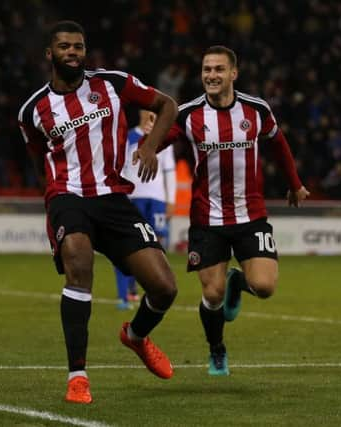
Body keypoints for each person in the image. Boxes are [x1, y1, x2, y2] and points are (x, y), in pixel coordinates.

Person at [17, 20, 179, 404]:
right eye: (64, 46)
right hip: (68, 195)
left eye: (78, 46)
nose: (72, 52)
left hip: (112, 197)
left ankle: (135, 337)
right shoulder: (32, 110)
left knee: (164, 287)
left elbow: (167, 105)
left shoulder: (112, 83)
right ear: (49, 54)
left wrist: (151, 146)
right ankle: (78, 376)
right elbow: (40, 158)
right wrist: (60, 195)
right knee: (78, 259)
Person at [157, 46, 310, 376]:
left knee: (265, 287)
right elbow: (161, 138)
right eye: (206, 69)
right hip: (206, 218)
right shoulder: (188, 114)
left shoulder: (256, 110)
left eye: (218, 69)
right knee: (212, 295)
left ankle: (238, 282)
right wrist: (144, 150)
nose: (211, 75)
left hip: (250, 215)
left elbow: (279, 144)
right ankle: (217, 349)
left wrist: (294, 183)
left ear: (233, 74)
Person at [115, 110, 176, 310]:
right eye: (148, 109)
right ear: (141, 112)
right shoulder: (128, 136)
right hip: (134, 196)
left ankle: (153, 288)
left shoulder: (163, 137)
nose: (152, 113)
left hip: (157, 198)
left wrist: (171, 200)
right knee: (129, 245)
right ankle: (127, 292)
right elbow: (120, 167)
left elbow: (169, 170)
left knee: (156, 244)